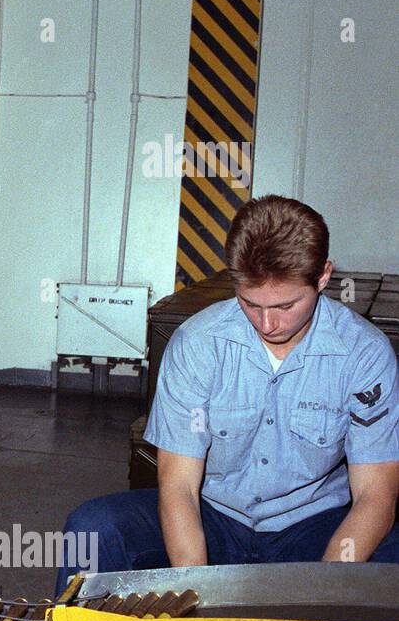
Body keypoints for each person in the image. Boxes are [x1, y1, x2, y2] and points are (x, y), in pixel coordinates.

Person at [56, 196, 399, 594]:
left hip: (313, 530)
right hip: (212, 521)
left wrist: (321, 592)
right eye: (250, 304)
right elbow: (179, 487)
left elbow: (376, 495)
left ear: (323, 277)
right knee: (93, 529)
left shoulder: (363, 354)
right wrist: (195, 592)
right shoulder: (198, 344)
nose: (267, 323)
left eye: (286, 305)